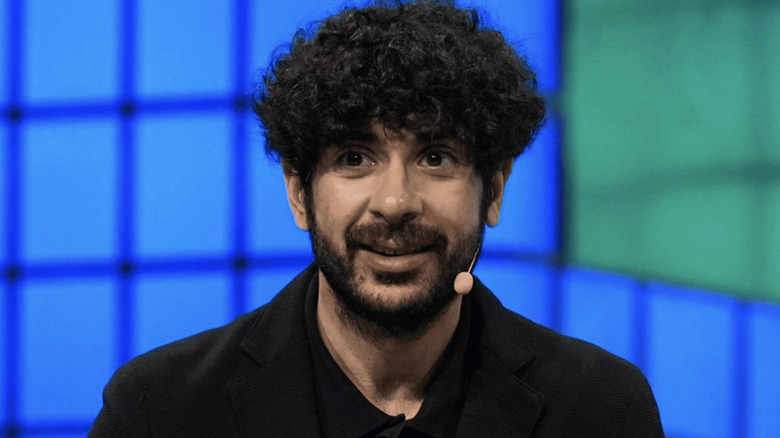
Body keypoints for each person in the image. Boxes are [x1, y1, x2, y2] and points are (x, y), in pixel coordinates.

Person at [90, 1, 664, 436]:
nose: (395, 202)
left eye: (435, 157)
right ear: (298, 193)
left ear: (493, 189)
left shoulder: (601, 409)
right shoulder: (158, 411)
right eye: (354, 158)